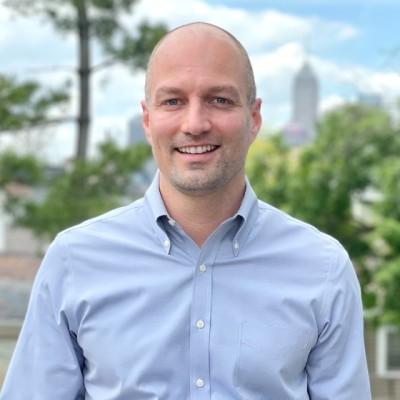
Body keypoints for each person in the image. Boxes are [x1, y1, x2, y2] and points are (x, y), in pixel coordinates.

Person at [0, 22, 371, 399]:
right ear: (147, 120)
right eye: (173, 101)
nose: (195, 124)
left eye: (219, 100)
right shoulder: (73, 261)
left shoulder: (323, 269)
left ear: (254, 118)